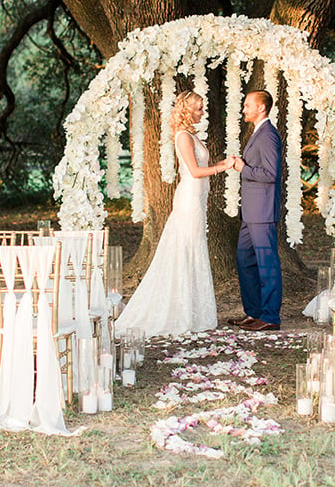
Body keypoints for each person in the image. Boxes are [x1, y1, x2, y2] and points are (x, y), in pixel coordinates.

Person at [115, 91, 234, 339]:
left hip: (197, 199)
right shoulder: (182, 136)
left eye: (202, 107)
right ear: (187, 110)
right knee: (187, 249)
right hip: (189, 199)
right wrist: (224, 165)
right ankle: (180, 312)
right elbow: (194, 171)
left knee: (194, 248)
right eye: (199, 108)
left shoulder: (191, 135)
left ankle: (194, 312)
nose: (202, 112)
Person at [228, 90, 283, 332]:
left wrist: (242, 168)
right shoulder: (257, 133)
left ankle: (270, 316)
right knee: (245, 260)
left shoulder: (269, 135)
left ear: (261, 108)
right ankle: (254, 312)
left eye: (248, 104)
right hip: (250, 213)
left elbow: (271, 174)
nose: (244, 109)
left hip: (262, 213)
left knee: (267, 264)